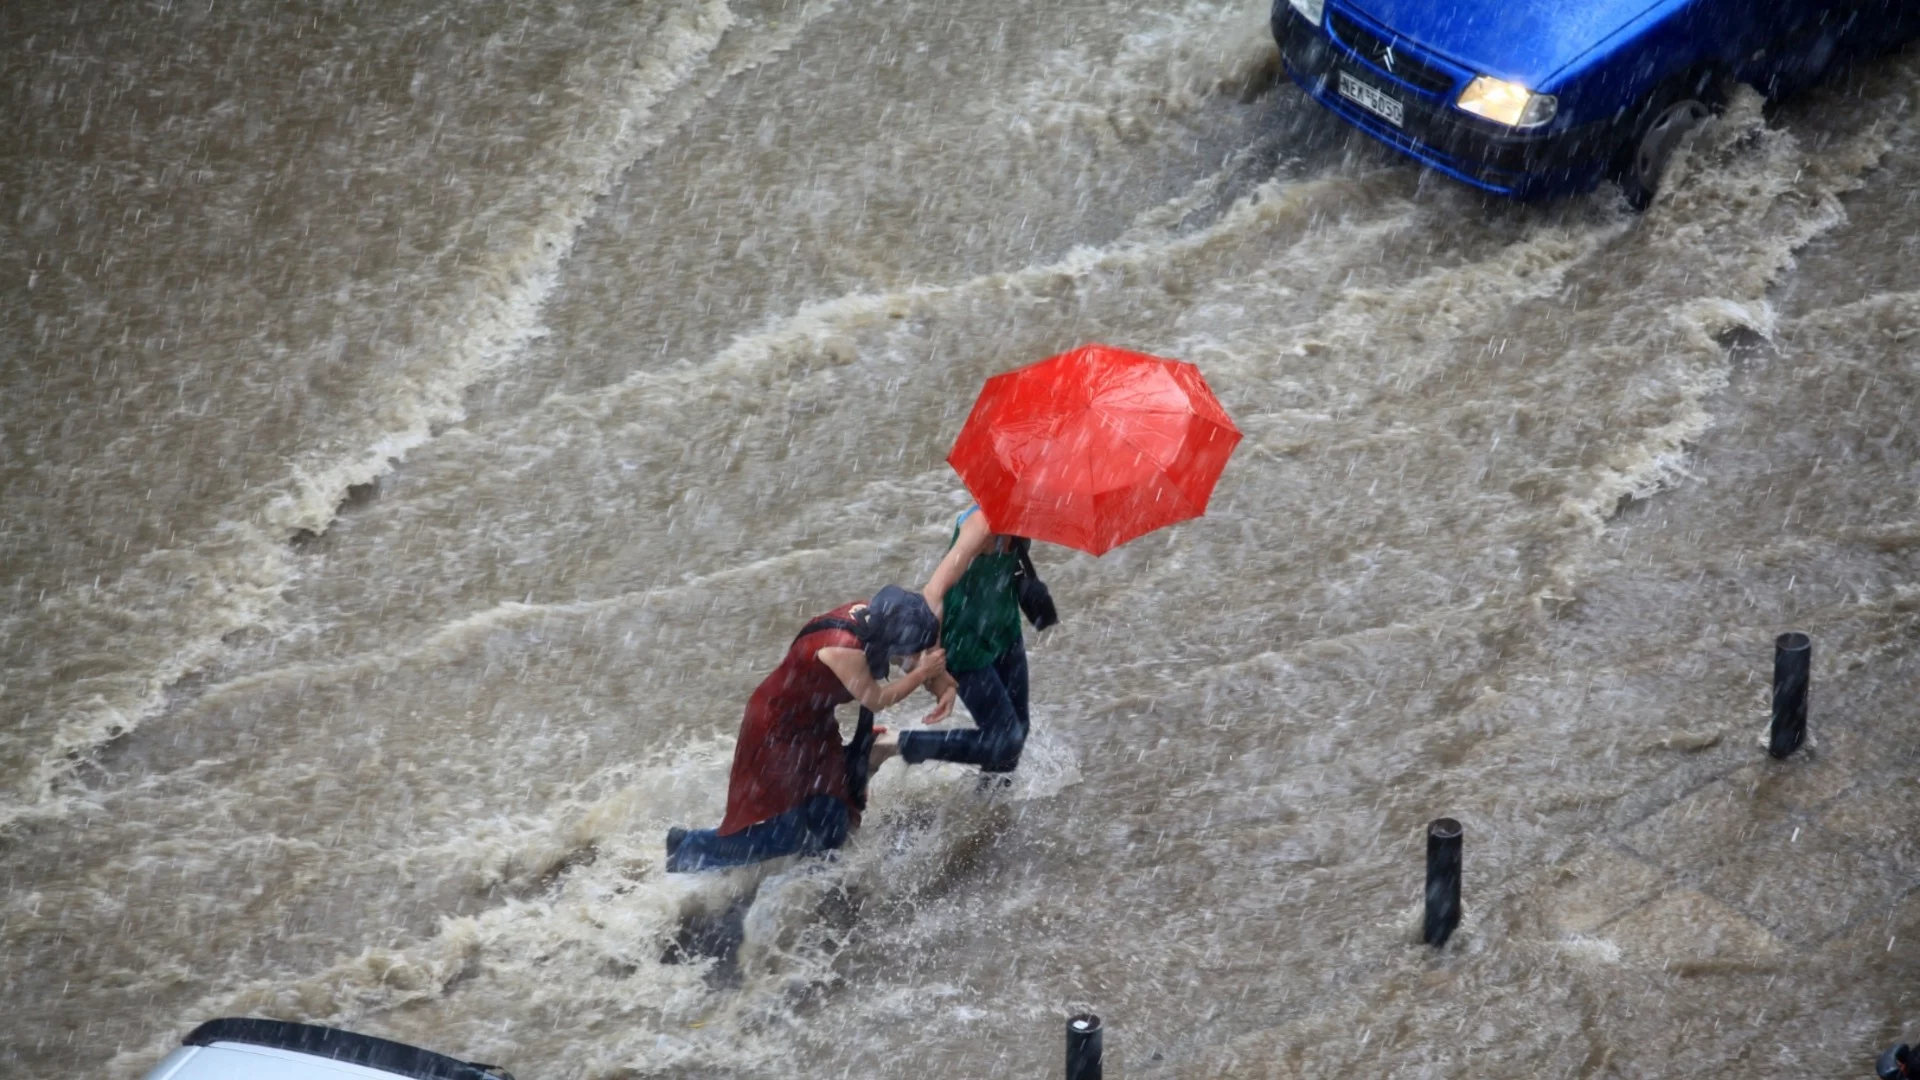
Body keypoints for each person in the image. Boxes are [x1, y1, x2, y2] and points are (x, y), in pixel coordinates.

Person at [665, 586, 946, 872]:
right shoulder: (843, 646)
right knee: (786, 834)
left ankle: (809, 881)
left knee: (833, 815)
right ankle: (689, 847)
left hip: (813, 722)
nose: (915, 657)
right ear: (893, 641)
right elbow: (876, 698)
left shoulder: (877, 616)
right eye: (912, 651)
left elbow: (914, 656)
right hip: (776, 730)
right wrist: (924, 673)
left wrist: (942, 682)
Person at [897, 504, 1034, 776]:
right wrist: (934, 667)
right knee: (1005, 741)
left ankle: (990, 809)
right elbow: (933, 593)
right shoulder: (980, 526)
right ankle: (894, 744)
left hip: (1005, 632)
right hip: (965, 644)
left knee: (1018, 730)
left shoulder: (1026, 514)